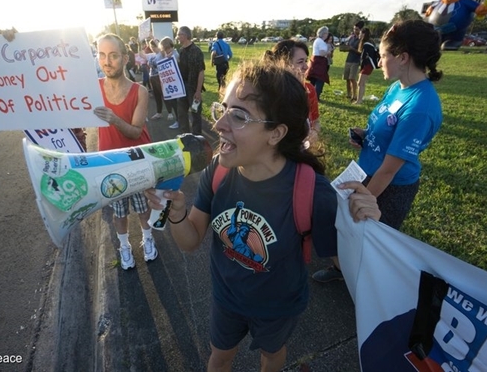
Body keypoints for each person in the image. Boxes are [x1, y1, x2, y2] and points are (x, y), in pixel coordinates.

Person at [144, 60, 381, 372]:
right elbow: (189, 241)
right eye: (223, 109)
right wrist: (176, 213)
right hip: (226, 299)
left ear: (276, 133)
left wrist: (369, 226)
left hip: (278, 307)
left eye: (239, 116)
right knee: (219, 357)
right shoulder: (217, 171)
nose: (218, 125)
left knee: (271, 356)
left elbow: (358, 268)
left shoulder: (311, 192)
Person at [313, 19, 443, 283]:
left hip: (390, 187)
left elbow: (389, 170)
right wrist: (367, 135)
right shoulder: (398, 87)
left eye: (382, 56)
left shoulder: (421, 106)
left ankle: (363, 292)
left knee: (367, 238)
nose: (377, 61)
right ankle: (342, 269)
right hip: (368, 173)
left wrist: (361, 200)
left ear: (403, 57)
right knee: (348, 228)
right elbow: (386, 129)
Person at [92, 33, 158, 270]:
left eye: (113, 55)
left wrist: (114, 119)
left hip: (137, 162)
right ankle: (124, 246)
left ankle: (148, 239)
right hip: (109, 164)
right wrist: (13, 40)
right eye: (101, 55)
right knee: (119, 212)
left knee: (143, 208)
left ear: (125, 58)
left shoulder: (139, 91)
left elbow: (134, 131)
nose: (106, 61)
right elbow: (55, 91)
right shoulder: (93, 89)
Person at [263, 39, 321, 144]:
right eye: (300, 62)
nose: (306, 66)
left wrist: (315, 132)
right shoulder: (268, 91)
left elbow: (316, 121)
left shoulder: (308, 89)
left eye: (306, 60)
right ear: (283, 64)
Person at [175, 26, 205, 135]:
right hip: (182, 87)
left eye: (179, 34)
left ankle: (197, 138)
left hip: (192, 87)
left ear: (186, 35)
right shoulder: (181, 50)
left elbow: (201, 72)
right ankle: (185, 136)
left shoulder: (196, 51)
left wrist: (198, 91)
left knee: (195, 113)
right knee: (182, 113)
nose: (177, 37)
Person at [159, 36, 180, 128]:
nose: (164, 50)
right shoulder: (171, 54)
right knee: (174, 103)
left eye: (165, 48)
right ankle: (178, 120)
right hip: (172, 83)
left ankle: (179, 121)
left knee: (177, 104)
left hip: (176, 83)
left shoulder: (174, 55)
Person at [354, 27, 378, 105]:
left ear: (363, 34)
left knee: (360, 83)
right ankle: (360, 99)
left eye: (360, 33)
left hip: (368, 65)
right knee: (361, 83)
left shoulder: (367, 44)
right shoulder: (369, 43)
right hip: (367, 65)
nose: (359, 34)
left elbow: (364, 56)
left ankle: (359, 101)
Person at [306, 26, 330, 101]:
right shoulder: (321, 41)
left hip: (315, 60)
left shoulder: (317, 40)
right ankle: (316, 96)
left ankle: (310, 95)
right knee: (320, 79)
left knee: (314, 79)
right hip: (319, 61)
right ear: (324, 34)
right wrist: (328, 52)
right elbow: (322, 53)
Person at [342, 21, 364, 102]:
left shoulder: (361, 39)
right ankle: (348, 94)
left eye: (357, 29)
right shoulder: (352, 37)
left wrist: (352, 49)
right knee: (347, 78)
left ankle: (354, 95)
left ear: (361, 30)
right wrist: (345, 48)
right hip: (348, 59)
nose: (355, 31)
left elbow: (360, 52)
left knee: (352, 78)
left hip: (355, 61)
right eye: (354, 29)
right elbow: (348, 46)